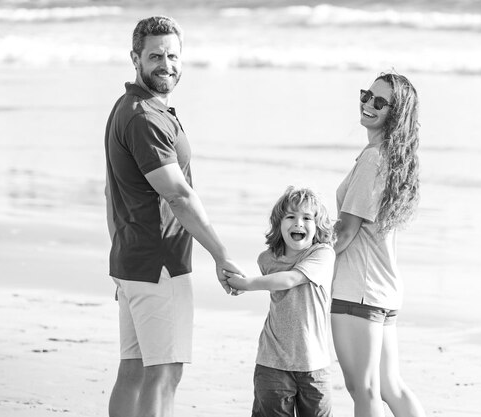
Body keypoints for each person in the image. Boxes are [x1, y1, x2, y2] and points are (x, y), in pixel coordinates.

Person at [104, 16, 243, 417]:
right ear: (135, 58)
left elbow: (111, 191)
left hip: (133, 263)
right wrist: (220, 254)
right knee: (164, 373)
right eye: (155, 56)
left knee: (133, 370)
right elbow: (179, 196)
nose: (166, 64)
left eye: (173, 55)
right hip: (159, 264)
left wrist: (120, 263)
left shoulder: (129, 107)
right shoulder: (145, 118)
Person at [330, 73, 426, 417]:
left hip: (358, 289)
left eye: (380, 102)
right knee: (390, 386)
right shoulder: (391, 157)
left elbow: (344, 233)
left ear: (395, 113)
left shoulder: (374, 158)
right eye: (367, 95)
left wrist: (301, 261)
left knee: (364, 390)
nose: (368, 104)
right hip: (382, 289)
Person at [224, 186, 336, 417]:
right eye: (291, 217)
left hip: (314, 365)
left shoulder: (322, 254)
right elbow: (274, 281)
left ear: (317, 226)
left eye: (307, 218)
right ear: (279, 223)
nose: (299, 223)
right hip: (272, 361)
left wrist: (246, 284)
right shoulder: (266, 259)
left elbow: (290, 279)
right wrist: (235, 280)